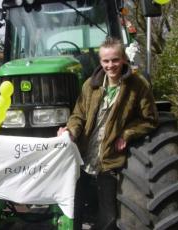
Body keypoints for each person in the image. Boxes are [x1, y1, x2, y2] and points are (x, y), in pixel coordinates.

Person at [57, 37, 158, 230]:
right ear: (100, 61)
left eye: (115, 60)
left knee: (109, 217)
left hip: (109, 159)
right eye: (106, 61)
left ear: (124, 59)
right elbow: (78, 115)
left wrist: (127, 133)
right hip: (83, 157)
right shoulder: (90, 85)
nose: (110, 65)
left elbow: (150, 119)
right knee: (73, 210)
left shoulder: (137, 86)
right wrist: (70, 132)